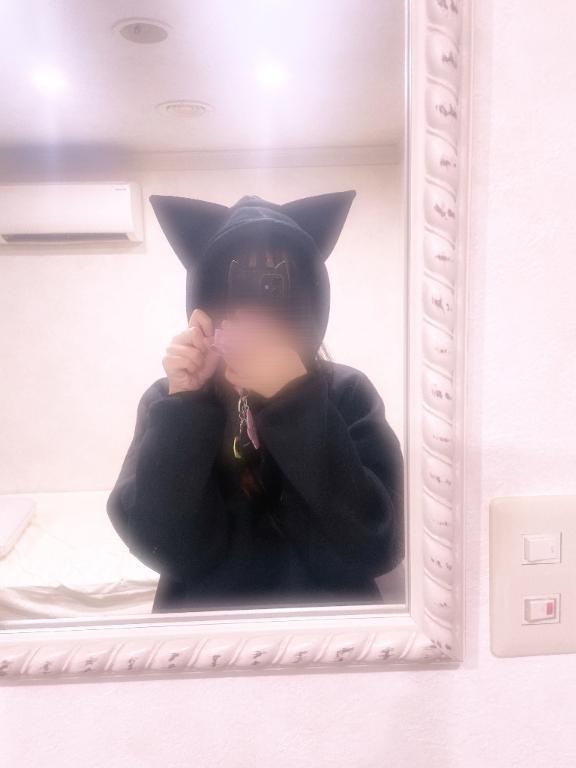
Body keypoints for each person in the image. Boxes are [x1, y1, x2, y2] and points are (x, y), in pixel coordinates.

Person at [106, 190, 405, 613]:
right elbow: (166, 548)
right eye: (236, 280)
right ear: (206, 295)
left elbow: (378, 545)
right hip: (204, 635)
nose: (258, 305)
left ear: (307, 297)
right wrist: (187, 404)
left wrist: (296, 399)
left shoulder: (345, 391)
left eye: (277, 281)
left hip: (332, 634)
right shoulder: (171, 398)